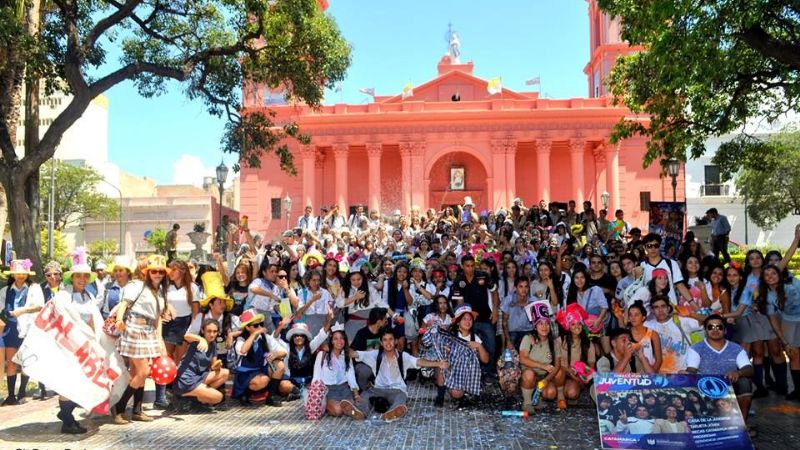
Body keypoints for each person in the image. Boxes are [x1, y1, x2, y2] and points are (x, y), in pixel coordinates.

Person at [113, 255, 170, 424]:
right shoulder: (137, 285)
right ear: (147, 272)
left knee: (139, 374)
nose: (158, 274)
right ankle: (119, 407)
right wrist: (119, 320)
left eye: (161, 271)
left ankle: (137, 410)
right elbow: (124, 304)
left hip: (149, 330)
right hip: (134, 328)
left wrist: (159, 340)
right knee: (144, 372)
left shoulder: (159, 291)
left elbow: (159, 317)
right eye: (154, 271)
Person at [50, 251, 102, 434]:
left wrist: (95, 342)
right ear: (71, 277)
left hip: (85, 347)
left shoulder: (89, 296)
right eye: (78, 275)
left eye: (85, 276)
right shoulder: (63, 296)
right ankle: (67, 420)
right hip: (68, 347)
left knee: (81, 384)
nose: (82, 279)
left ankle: (66, 416)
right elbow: (61, 322)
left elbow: (91, 320)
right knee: (68, 384)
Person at [352, 328, 448, 422]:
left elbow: (418, 361)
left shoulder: (403, 357)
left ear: (396, 341)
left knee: (401, 397)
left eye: (391, 339)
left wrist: (438, 363)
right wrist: (339, 346)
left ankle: (393, 412)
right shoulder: (375, 355)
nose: (388, 343)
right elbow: (355, 354)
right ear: (381, 342)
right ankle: (360, 412)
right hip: (378, 389)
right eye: (385, 340)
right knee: (365, 394)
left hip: (397, 390)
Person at [686, 315, 754, 423]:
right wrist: (686, 373)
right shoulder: (696, 349)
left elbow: (749, 369)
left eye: (719, 327)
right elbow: (691, 369)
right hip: (705, 387)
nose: (715, 330)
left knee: (745, 382)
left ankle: (742, 425)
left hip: (729, 386)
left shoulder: (736, 348)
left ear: (725, 330)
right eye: (710, 327)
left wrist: (738, 372)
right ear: (705, 331)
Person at [155, 259, 201, 409]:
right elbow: (159, 305)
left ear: (181, 271)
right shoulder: (165, 287)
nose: (170, 272)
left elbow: (195, 311)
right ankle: (160, 395)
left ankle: (176, 391)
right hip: (168, 324)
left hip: (184, 324)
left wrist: (192, 329)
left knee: (180, 359)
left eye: (174, 269)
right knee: (165, 358)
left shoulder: (192, 288)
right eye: (170, 269)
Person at [0, 259, 44, 405]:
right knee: (11, 362)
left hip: (29, 329)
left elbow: (40, 306)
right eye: (17, 273)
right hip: (11, 330)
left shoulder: (34, 288)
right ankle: (11, 395)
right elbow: (2, 310)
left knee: (25, 362)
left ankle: (22, 392)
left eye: (23, 274)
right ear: (12, 275)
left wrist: (22, 311)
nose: (20, 276)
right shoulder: (5, 291)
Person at [450, 254, 498, 374]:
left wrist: (496, 310)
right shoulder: (458, 281)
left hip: (486, 317)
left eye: (472, 266)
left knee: (491, 346)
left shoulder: (483, 275)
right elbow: (459, 304)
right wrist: (462, 321)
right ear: (462, 266)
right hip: (469, 321)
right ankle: (474, 371)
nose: (470, 268)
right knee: (471, 347)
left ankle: (489, 371)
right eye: (467, 266)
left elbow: (494, 291)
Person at [232, 309, 288, 406]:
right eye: (256, 325)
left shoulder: (265, 337)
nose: (260, 327)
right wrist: (254, 335)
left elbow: (284, 351)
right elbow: (243, 350)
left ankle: (271, 397)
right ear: (248, 328)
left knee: (279, 365)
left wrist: (275, 355)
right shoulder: (241, 339)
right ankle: (245, 395)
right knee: (263, 380)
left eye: (261, 324)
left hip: (261, 370)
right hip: (245, 373)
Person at [173, 318, 230, 411]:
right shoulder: (197, 342)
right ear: (203, 331)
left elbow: (214, 365)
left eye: (215, 331)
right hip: (186, 380)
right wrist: (199, 339)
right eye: (209, 331)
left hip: (199, 377)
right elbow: (186, 336)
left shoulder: (213, 344)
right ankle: (184, 396)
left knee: (225, 373)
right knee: (218, 397)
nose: (212, 334)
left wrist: (217, 366)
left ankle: (192, 400)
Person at [762, 263, 800, 400]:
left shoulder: (792, 283)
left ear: (779, 274)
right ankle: (798, 390)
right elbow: (773, 321)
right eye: (766, 275)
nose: (770, 277)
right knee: (794, 356)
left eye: (773, 273)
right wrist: (784, 342)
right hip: (789, 322)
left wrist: (796, 240)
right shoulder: (768, 296)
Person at [312, 325, 363, 419]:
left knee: (349, 404)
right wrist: (316, 396)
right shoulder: (322, 355)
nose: (339, 341)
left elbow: (351, 375)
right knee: (337, 411)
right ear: (331, 341)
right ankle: (329, 406)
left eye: (342, 338)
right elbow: (316, 375)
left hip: (343, 388)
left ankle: (350, 408)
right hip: (328, 389)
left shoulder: (346, 356)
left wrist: (356, 394)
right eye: (335, 339)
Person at [519, 303, 563, 412]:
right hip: (529, 374)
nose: (544, 327)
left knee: (551, 393)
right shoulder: (528, 338)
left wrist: (547, 380)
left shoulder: (554, 342)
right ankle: (527, 402)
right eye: (541, 324)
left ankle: (539, 396)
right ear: (535, 326)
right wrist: (542, 365)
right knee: (529, 374)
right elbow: (522, 358)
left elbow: (557, 365)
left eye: (547, 324)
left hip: (544, 376)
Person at [645, 295, 703, 374]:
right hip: (659, 374)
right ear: (652, 311)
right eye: (656, 307)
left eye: (663, 306)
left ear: (668, 308)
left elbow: (710, 320)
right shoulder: (647, 325)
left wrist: (690, 314)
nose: (660, 310)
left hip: (682, 372)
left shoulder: (681, 321)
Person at [502, 276, 534, 350]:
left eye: (526, 287)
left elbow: (537, 322)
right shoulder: (508, 300)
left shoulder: (533, 301)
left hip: (529, 332)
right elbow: (504, 322)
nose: (524, 290)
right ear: (515, 288)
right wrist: (508, 340)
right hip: (513, 332)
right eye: (521, 287)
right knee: (509, 356)